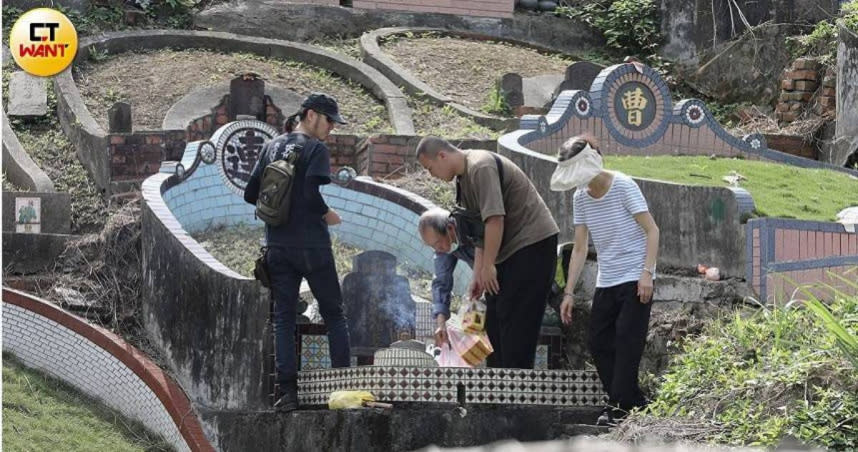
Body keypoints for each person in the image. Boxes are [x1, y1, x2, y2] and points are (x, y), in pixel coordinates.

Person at [244, 93, 351, 412]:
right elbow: (310, 191)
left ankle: (286, 395)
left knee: (283, 319)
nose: (331, 127)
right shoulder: (315, 148)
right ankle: (341, 388)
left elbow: (252, 194)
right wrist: (326, 214)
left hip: (276, 246)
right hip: (313, 248)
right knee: (334, 314)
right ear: (310, 115)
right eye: (329, 119)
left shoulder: (269, 147)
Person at [416, 137, 559, 369]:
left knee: (516, 324)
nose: (432, 175)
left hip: (531, 245)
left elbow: (494, 219)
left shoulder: (480, 166)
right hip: (505, 252)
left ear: (442, 155)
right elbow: (480, 232)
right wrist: (479, 275)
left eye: (430, 168)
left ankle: (516, 395)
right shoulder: (463, 182)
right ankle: (498, 391)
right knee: (493, 320)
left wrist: (489, 265)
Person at [551, 135, 660, 426]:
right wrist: (569, 292)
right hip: (607, 279)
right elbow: (580, 246)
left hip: (636, 276)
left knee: (627, 338)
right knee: (599, 342)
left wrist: (647, 273)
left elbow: (652, 231)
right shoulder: (580, 197)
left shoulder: (623, 186)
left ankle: (618, 408)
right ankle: (631, 402)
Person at [417, 208, 475, 347]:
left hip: (508, 273)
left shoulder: (471, 230)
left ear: (450, 228)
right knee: (471, 334)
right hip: (484, 286)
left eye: (437, 243)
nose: (438, 249)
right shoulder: (444, 248)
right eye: (432, 247)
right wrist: (441, 324)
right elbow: (441, 282)